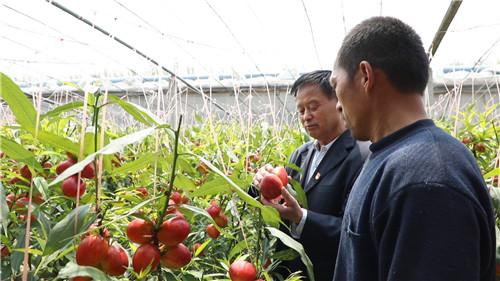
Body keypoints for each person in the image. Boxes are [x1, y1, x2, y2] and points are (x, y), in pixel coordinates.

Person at [330, 16, 495, 281]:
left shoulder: (425, 179)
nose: (337, 105)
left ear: (365, 76)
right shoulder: (393, 159)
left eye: (334, 86)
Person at [252, 70, 369, 281]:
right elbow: (276, 198)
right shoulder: (302, 154)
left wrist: (300, 217)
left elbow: (353, 232)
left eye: (313, 107)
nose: (306, 116)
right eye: (301, 110)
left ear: (338, 102)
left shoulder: (361, 155)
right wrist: (259, 183)